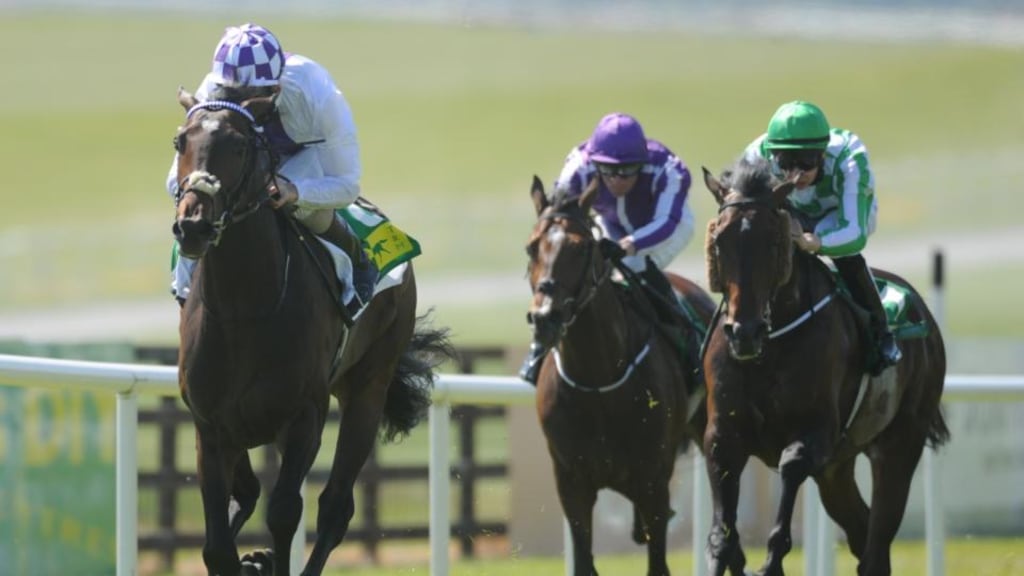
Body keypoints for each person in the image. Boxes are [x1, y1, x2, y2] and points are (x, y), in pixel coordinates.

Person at [166, 23, 377, 313]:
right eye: (229, 93)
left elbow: (347, 185)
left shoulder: (319, 95)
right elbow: (174, 181)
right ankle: (185, 280)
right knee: (202, 199)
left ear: (275, 88)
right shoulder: (211, 92)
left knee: (295, 205)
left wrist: (296, 191)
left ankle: (357, 258)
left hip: (304, 153)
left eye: (250, 96)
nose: (237, 104)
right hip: (246, 154)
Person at [519, 112, 696, 384]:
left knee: (637, 269)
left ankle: (688, 347)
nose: (617, 180)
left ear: (643, 162)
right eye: (608, 170)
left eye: (627, 170)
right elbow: (560, 214)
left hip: (663, 228)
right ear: (594, 162)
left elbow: (667, 222)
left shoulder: (670, 169)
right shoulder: (578, 166)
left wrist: (629, 245)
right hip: (611, 225)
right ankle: (540, 347)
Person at [745, 100, 901, 375]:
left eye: (807, 162)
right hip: (791, 209)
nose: (796, 174)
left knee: (844, 255)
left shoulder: (850, 159)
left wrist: (813, 242)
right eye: (786, 162)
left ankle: (881, 332)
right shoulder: (756, 156)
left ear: (823, 155)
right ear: (773, 155)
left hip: (840, 213)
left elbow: (855, 232)